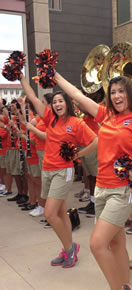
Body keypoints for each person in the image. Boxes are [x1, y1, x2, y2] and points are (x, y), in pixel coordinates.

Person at [55, 72, 132, 290]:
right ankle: (127, 287)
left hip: (121, 192)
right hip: (101, 188)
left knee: (97, 244)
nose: (117, 95)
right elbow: (78, 96)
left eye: (121, 91)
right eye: (113, 92)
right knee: (116, 242)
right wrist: (57, 77)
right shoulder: (106, 116)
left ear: (129, 93)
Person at [19, 74, 98, 268]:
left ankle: (71, 248)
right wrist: (21, 77)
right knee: (61, 213)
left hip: (63, 172)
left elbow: (96, 141)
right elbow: (34, 98)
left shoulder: (76, 123)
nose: (57, 104)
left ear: (67, 103)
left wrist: (77, 156)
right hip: (47, 169)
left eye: (60, 101)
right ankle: (67, 248)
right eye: (54, 102)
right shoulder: (50, 118)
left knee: (50, 214)